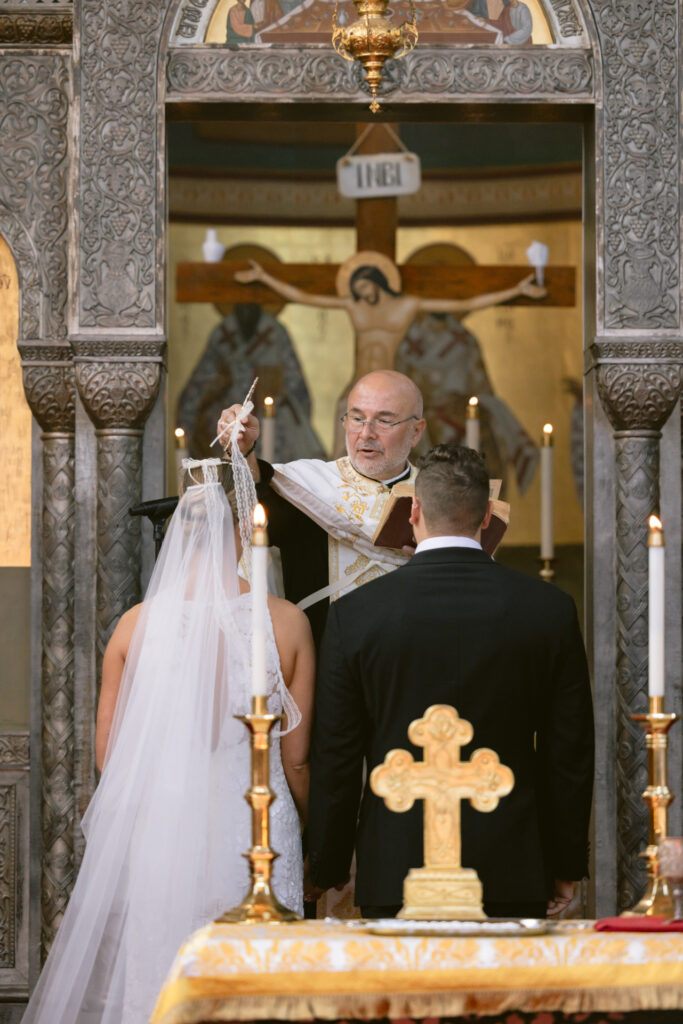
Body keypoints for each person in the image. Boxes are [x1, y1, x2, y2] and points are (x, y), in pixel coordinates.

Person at [22, 455, 314, 1024]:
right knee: (254, 972)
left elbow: (110, 756)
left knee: (161, 966)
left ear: (178, 539)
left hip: (162, 826)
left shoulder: (134, 625)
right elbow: (296, 758)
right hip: (255, 829)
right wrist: (308, 827)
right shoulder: (286, 622)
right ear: (243, 536)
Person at [306, 444, 594, 919]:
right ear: (486, 518)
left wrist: (330, 862)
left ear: (413, 511)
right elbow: (569, 753)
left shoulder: (355, 616)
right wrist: (564, 861)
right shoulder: (548, 610)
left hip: (395, 869)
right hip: (513, 866)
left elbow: (336, 753)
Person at [234, 252, 546, 454]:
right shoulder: (354, 305)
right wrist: (265, 278)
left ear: (376, 281)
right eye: (357, 289)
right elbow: (306, 297)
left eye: (364, 286)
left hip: (392, 390)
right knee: (341, 456)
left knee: (412, 453)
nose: (360, 293)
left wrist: (515, 291)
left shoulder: (406, 305)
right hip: (355, 389)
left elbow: (460, 304)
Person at [217, 369, 427, 650]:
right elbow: (254, 500)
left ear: (416, 431)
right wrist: (242, 451)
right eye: (356, 418)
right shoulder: (308, 488)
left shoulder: (436, 500)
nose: (366, 433)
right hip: (322, 669)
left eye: (384, 421)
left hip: (409, 660)